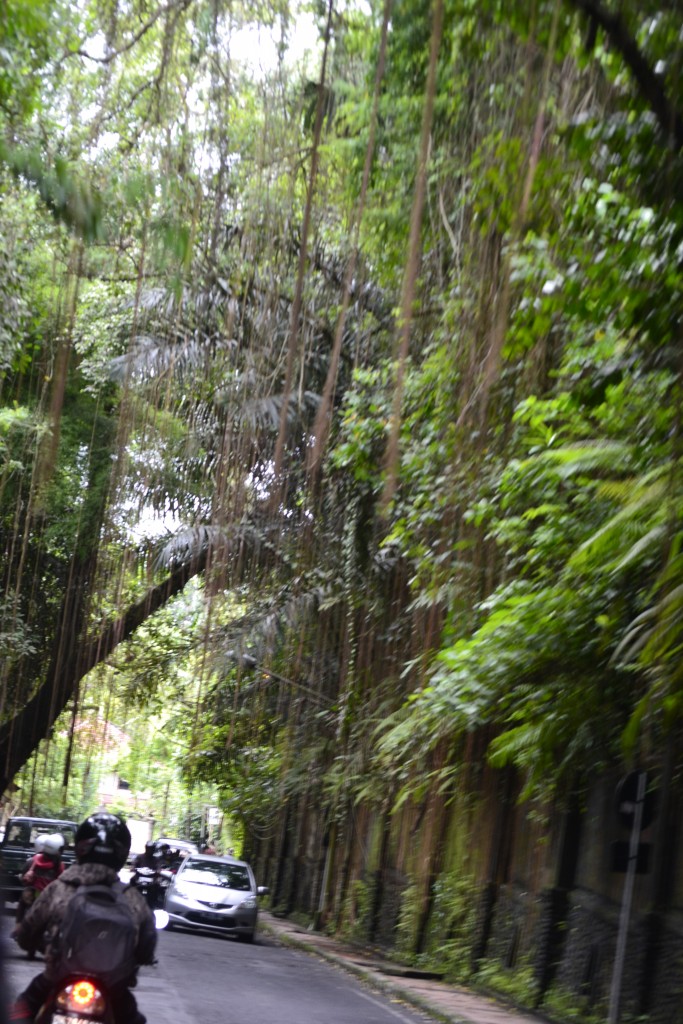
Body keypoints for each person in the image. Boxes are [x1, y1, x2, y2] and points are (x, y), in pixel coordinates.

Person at [11, 812, 156, 1024]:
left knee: (22, 1008)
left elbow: (27, 932)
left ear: (80, 847)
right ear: (121, 853)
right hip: (113, 989)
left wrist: (35, 944)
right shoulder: (132, 898)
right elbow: (147, 946)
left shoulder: (58, 888)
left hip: (56, 978)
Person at [14, 835, 64, 931]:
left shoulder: (33, 860)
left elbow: (23, 877)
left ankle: (17, 926)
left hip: (34, 895)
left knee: (22, 901)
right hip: (50, 897)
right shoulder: (59, 865)